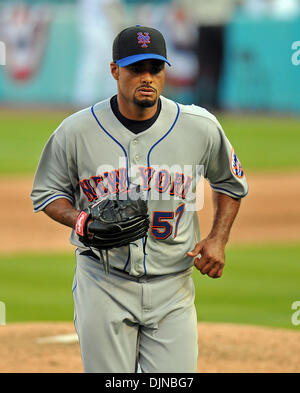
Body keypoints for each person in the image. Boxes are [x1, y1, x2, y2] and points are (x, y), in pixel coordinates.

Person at [31, 25, 248, 373]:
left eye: (155, 69)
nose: (147, 78)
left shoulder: (200, 126)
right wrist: (80, 220)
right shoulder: (76, 130)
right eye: (136, 69)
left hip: (172, 287)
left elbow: (231, 183)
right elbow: (46, 192)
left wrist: (218, 239)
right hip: (103, 281)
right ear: (115, 70)